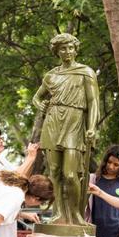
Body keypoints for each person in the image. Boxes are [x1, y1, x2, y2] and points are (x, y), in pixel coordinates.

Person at [32, 33, 99, 226]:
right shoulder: (51, 75)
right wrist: (40, 105)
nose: (67, 52)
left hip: (74, 122)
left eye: (70, 48)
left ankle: (76, 214)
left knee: (70, 174)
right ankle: (58, 213)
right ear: (57, 51)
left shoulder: (86, 72)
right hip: (53, 121)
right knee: (55, 172)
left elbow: (93, 101)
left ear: (76, 49)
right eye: (63, 48)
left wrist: (92, 127)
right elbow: (36, 98)